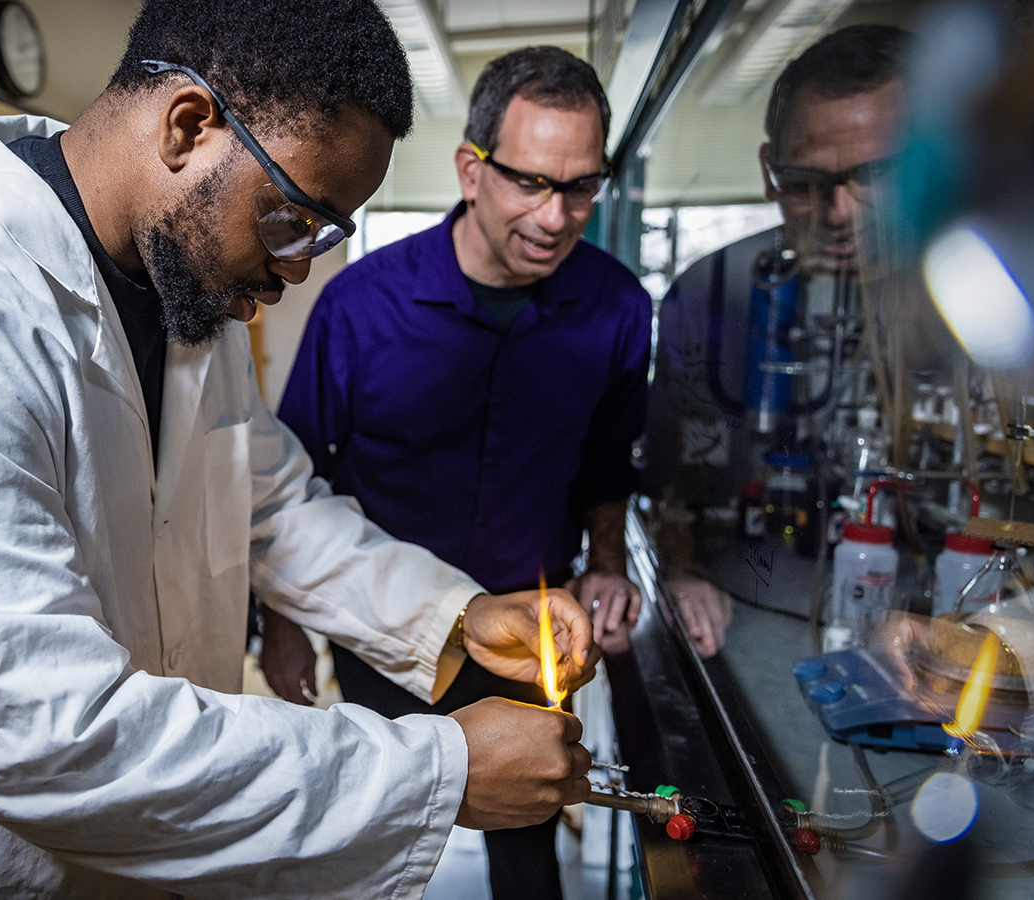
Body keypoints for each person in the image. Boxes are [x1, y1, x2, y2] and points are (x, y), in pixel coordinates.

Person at [0, 3, 600, 898]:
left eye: (325, 234)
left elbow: (272, 508)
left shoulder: (185, 299)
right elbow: (47, 735)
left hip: (123, 853)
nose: (297, 270)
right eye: (294, 217)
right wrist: (439, 771)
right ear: (189, 125)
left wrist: (454, 617)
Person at [270, 46, 723, 899]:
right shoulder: (361, 305)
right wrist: (287, 623)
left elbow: (606, 464)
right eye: (530, 183)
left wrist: (608, 567)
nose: (557, 217)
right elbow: (289, 484)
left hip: (534, 630)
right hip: (383, 627)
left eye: (582, 186)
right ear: (471, 170)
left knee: (528, 845)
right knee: (372, 837)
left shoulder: (620, 307)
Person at [645, 25, 910, 511]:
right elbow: (674, 480)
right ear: (769, 170)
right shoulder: (711, 289)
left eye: (874, 176)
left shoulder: (997, 291)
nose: (839, 212)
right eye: (804, 181)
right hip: (740, 572)